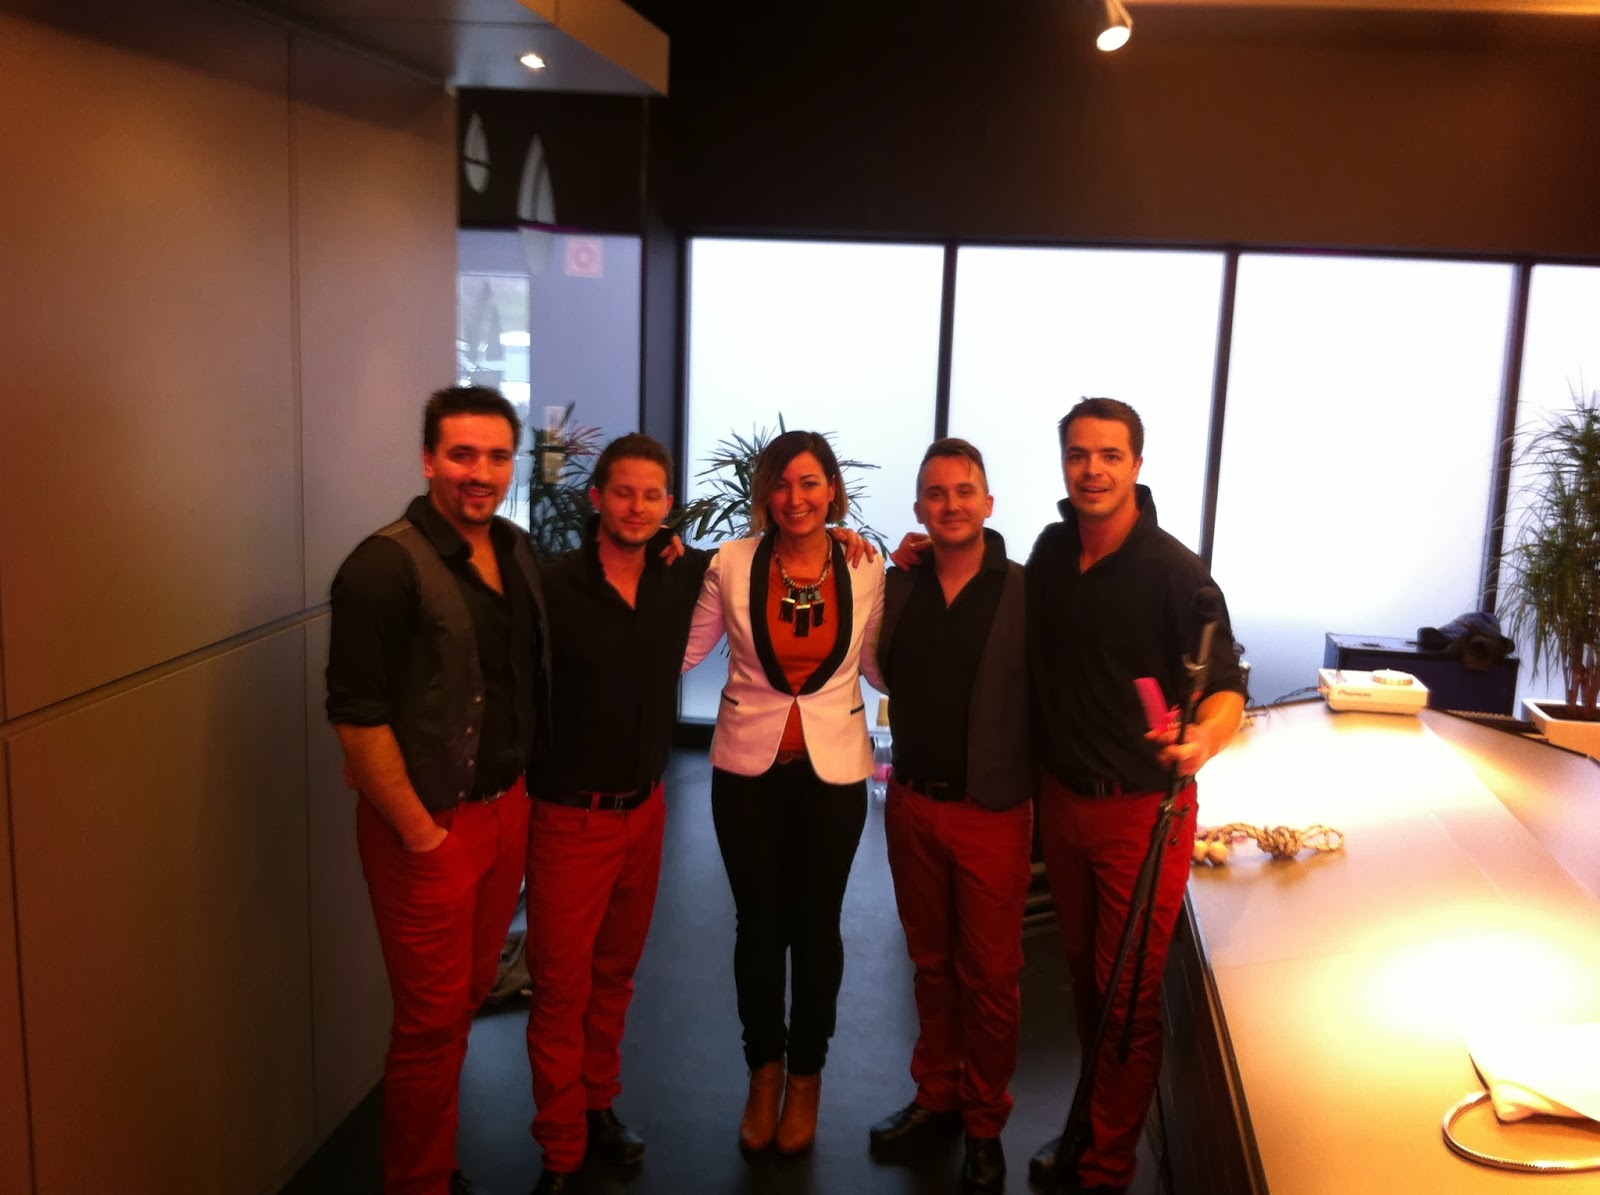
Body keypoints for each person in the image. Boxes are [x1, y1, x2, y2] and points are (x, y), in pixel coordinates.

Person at [326, 385, 549, 1195]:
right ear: (428, 460)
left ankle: (438, 1154)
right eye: (461, 454)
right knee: (428, 1022)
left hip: (506, 811)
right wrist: (421, 833)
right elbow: (356, 718)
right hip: (427, 827)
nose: (480, 472)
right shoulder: (381, 567)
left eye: (497, 455)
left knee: (469, 996)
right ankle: (418, 1179)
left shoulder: (517, 549)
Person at [1024, 398, 1247, 1195]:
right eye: (1079, 454)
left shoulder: (1177, 573)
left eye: (1110, 455)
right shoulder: (1051, 552)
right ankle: (1093, 1124)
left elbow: (1227, 689)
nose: (1093, 469)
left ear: (1137, 465)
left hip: (1143, 812)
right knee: (1088, 981)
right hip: (1063, 803)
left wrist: (1202, 741)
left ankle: (1107, 1164)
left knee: (1128, 996)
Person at [682, 429, 887, 1158]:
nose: (795, 497)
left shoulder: (866, 565)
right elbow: (686, 648)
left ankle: (806, 1078)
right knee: (760, 925)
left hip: (835, 771)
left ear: (832, 489)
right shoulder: (732, 563)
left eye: (809, 482)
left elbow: (878, 665)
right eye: (781, 483)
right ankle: (762, 1074)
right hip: (747, 771)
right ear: (765, 492)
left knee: (817, 925)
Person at [520, 433, 707, 1195]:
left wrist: (852, 540)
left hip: (647, 810)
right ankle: (560, 1146)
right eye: (623, 492)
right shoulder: (551, 586)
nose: (636, 506)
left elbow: (770, 560)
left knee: (615, 975)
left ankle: (598, 1104)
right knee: (560, 988)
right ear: (597, 498)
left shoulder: (680, 574)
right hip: (569, 817)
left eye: (651, 494)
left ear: (668, 505)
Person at [866, 439, 1034, 1195]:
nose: (951, 504)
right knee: (930, 965)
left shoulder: (1025, 591)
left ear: (989, 503)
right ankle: (936, 1096)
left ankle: (985, 1122)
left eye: (965, 491)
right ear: (919, 508)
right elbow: (870, 655)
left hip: (992, 810)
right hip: (912, 804)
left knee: (991, 977)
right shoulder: (901, 583)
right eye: (936, 493)